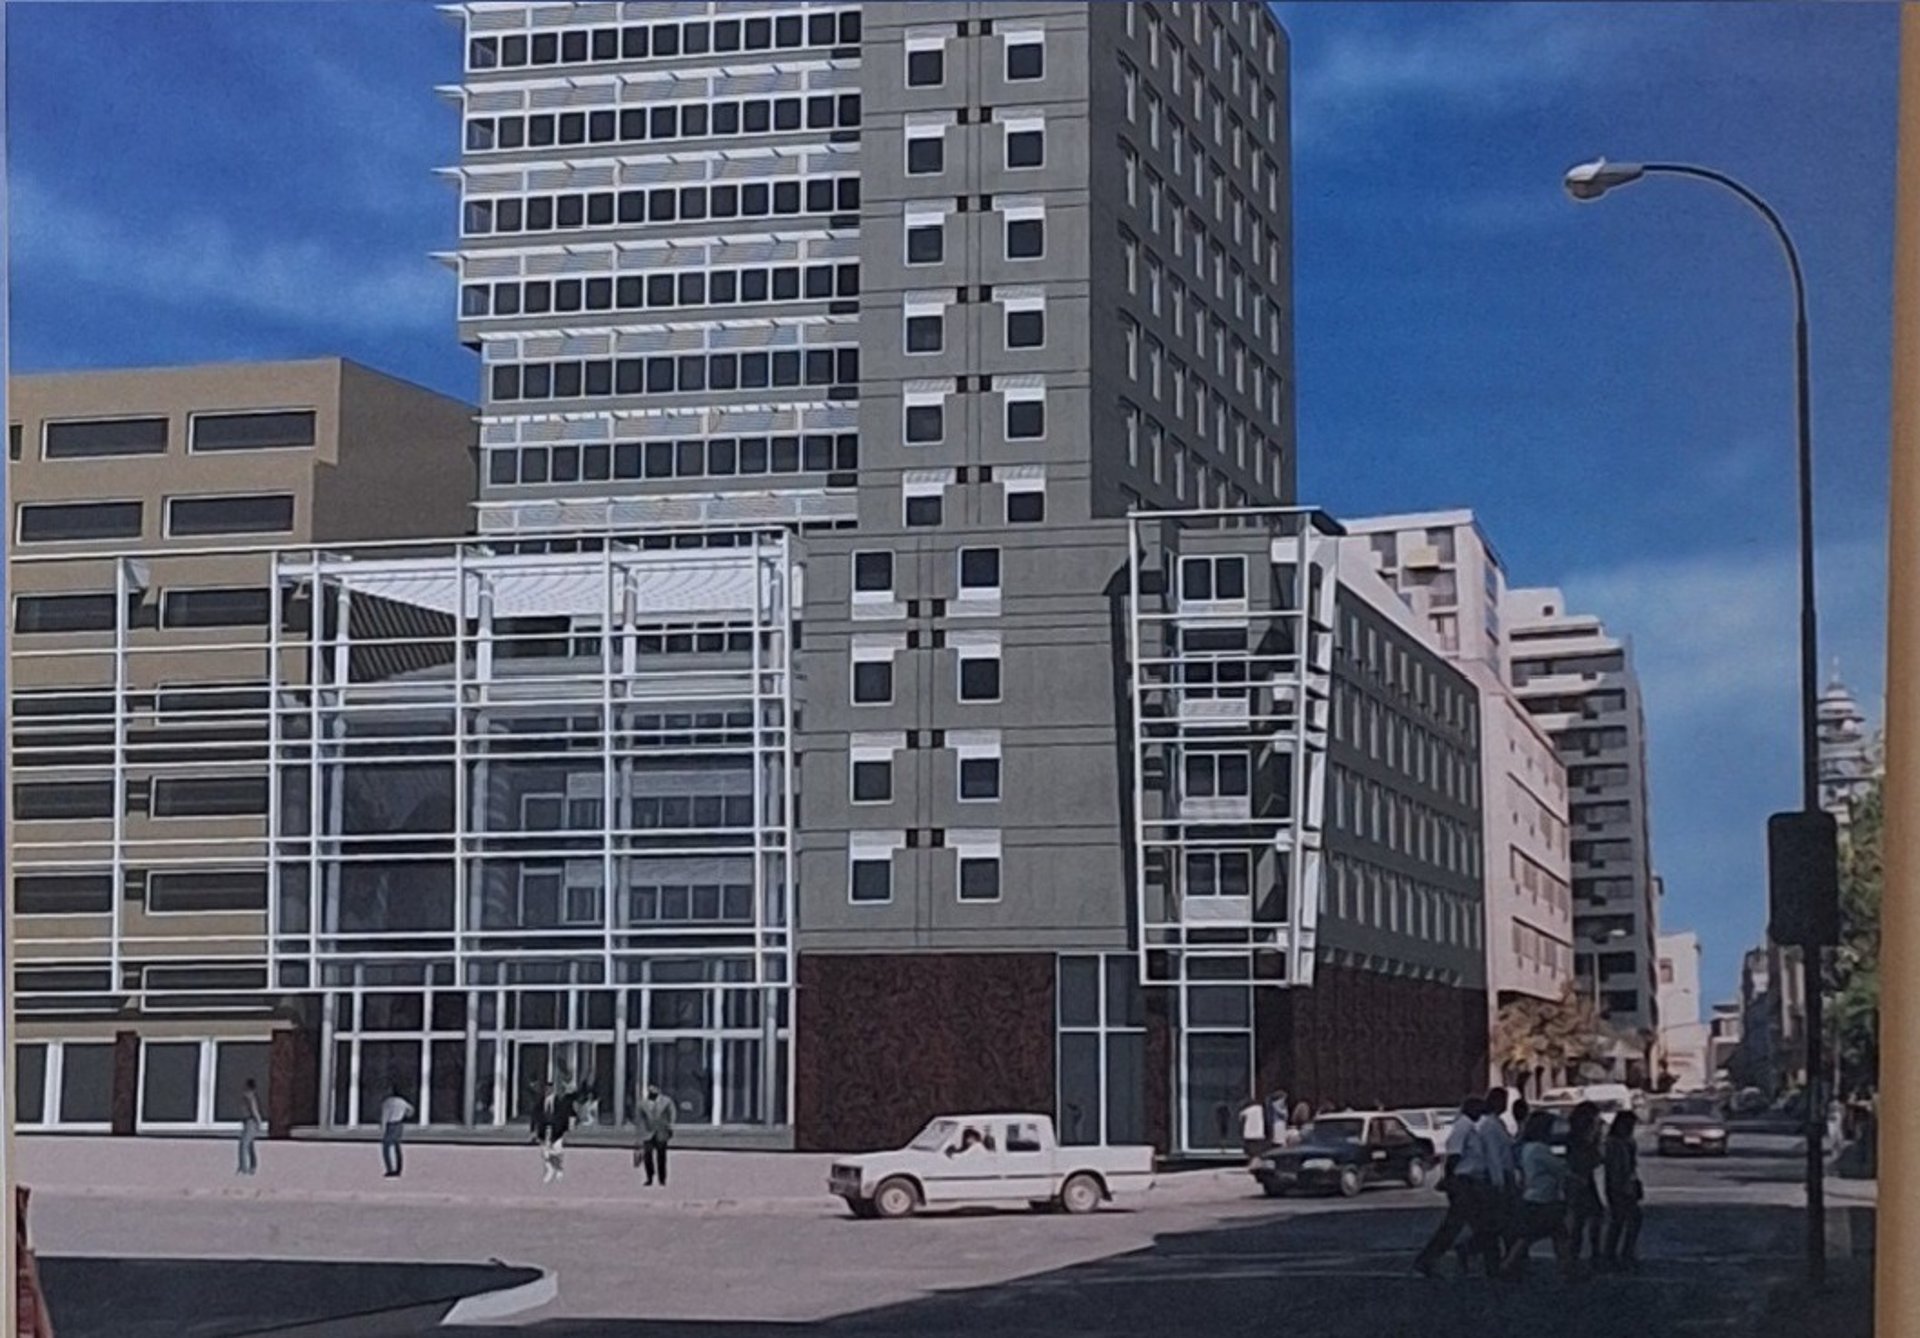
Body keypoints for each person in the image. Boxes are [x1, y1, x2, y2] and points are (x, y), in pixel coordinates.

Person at [1413, 1095, 1487, 1277]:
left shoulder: (1470, 1126)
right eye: (1479, 1109)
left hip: (1469, 1181)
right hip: (1463, 1182)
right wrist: (1449, 1179)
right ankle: (1426, 1260)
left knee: (1478, 1224)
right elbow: (1454, 1155)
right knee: (1454, 1226)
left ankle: (1467, 1251)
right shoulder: (1462, 1127)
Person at [1501, 1110, 1573, 1279]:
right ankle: (1508, 1265)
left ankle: (1566, 1267)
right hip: (1543, 1198)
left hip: (1534, 1196)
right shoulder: (1539, 1149)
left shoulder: (1528, 1147)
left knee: (1543, 1234)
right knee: (1536, 1235)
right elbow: (1559, 1168)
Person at [1472, 1087, 1519, 1255]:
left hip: (1506, 1174)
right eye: (1503, 1100)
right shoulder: (1490, 1125)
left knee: (1505, 1219)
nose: (1505, 1104)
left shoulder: (1497, 1123)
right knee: (1503, 1219)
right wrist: (1498, 1181)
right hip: (1499, 1177)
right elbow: (1493, 1155)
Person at [1565, 1102, 1606, 1269]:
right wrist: (1598, 1137)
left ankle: (1576, 1255)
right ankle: (1586, 1255)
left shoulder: (1573, 1137)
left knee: (1580, 1220)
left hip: (1580, 1181)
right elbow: (1596, 1159)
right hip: (1583, 1181)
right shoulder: (1584, 1141)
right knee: (1586, 1219)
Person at [1601, 1110, 1644, 1271]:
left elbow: (1631, 1166)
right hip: (1618, 1186)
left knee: (1627, 1220)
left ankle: (1619, 1253)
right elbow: (1616, 1168)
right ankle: (1617, 1254)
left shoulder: (1628, 1142)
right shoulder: (1613, 1143)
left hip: (1627, 1184)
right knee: (1621, 1220)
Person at [531, 1080, 578, 1184]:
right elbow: (535, 1116)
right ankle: (550, 1169)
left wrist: (565, 1131)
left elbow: (564, 1116)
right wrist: (534, 1130)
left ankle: (559, 1168)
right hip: (544, 1131)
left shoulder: (560, 1102)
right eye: (546, 1089)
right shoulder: (540, 1102)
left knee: (557, 1151)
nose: (547, 1091)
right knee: (545, 1153)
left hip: (557, 1131)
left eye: (549, 1089)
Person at [633, 1083, 677, 1187]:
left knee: (661, 1157)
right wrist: (639, 1136)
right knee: (647, 1156)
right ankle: (649, 1177)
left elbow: (672, 1114)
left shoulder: (666, 1101)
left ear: (658, 1089)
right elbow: (639, 1120)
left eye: (654, 1088)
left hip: (661, 1132)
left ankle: (662, 1179)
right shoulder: (642, 1103)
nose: (652, 1090)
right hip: (647, 1133)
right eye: (650, 1088)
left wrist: (670, 1126)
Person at [379, 1085, 415, 1178]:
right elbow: (411, 1110)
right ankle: (399, 1168)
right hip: (399, 1123)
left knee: (386, 1148)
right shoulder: (402, 1101)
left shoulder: (388, 1102)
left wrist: (382, 1128)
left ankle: (390, 1169)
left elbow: (385, 1116)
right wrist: (405, 1115)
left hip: (390, 1124)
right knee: (397, 1147)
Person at [237, 1077, 265, 1177]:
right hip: (248, 1121)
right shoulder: (250, 1096)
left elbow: (254, 1110)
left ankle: (244, 1167)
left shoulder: (249, 1096)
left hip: (250, 1121)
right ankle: (253, 1166)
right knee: (250, 1145)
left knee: (244, 1144)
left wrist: (259, 1121)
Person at [1239, 1097, 1269, 1164]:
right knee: (1258, 1151)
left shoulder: (1245, 1111)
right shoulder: (1261, 1109)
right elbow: (1266, 1120)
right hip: (1259, 1133)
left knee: (1251, 1151)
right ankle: (1256, 1163)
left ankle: (1252, 1162)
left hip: (1249, 1134)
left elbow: (1241, 1121)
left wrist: (1241, 1133)